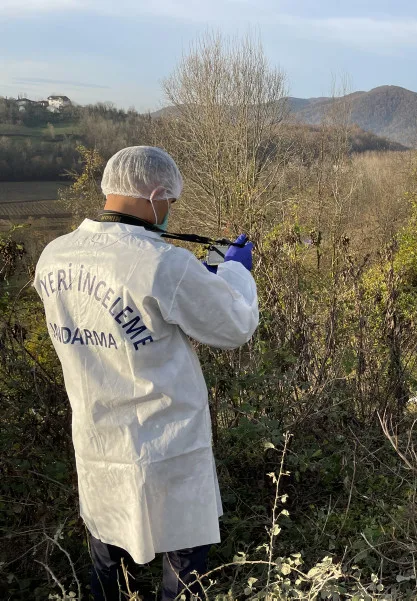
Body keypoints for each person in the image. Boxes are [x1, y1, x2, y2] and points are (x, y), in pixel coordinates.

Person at [33, 146, 259, 601]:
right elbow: (234, 326)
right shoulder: (164, 264)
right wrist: (234, 273)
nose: (169, 213)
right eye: (170, 204)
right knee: (184, 564)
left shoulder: (53, 256)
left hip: (99, 442)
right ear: (156, 194)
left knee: (106, 561)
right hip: (167, 443)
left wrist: (201, 278)